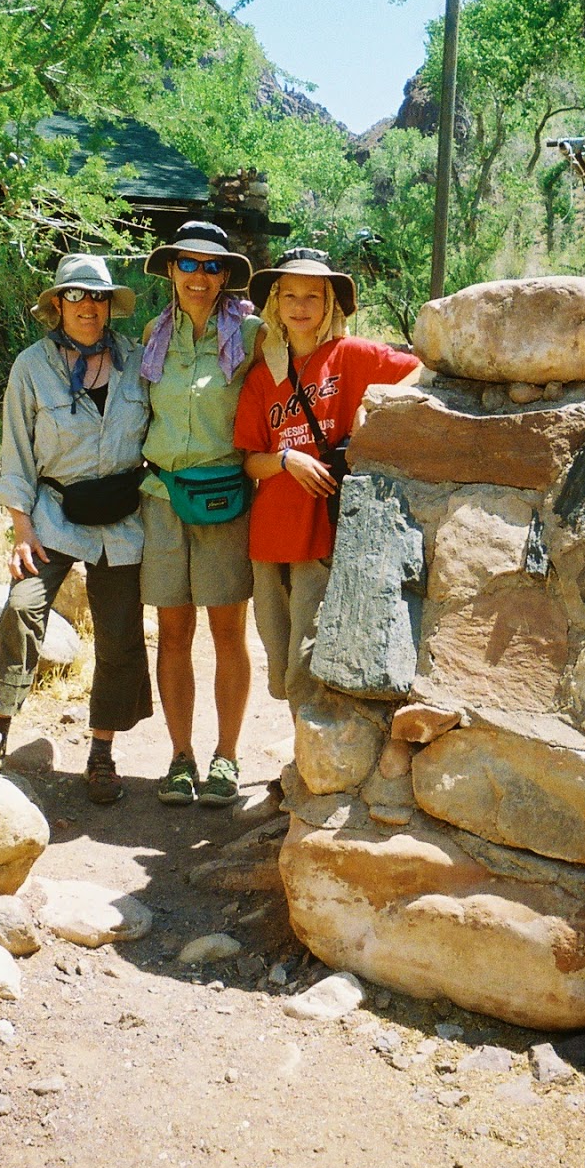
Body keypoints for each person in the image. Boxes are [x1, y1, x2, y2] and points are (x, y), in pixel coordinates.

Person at [0, 253, 152, 804]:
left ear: (110, 306)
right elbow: (16, 448)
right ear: (57, 304)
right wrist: (20, 528)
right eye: (76, 296)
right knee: (22, 606)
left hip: (124, 517)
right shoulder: (31, 366)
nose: (88, 307)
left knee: (120, 633)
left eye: (98, 297)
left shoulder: (136, 360)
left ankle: (102, 752)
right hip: (53, 514)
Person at [233, 248, 420, 717]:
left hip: (324, 528)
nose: (300, 306)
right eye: (289, 295)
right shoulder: (262, 376)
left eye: (312, 296)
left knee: (307, 654)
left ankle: (308, 767)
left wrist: (371, 407)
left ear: (330, 303)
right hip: (272, 532)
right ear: (275, 303)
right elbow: (251, 461)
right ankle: (304, 750)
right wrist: (287, 459)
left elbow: (420, 369)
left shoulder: (352, 356)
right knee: (278, 658)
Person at [139, 221, 263, 808]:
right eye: (187, 264)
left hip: (226, 499)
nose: (199, 275)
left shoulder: (254, 334)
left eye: (212, 266)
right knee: (172, 632)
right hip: (163, 499)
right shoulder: (152, 335)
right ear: (170, 270)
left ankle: (228, 757)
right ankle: (180, 757)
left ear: (225, 277)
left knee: (227, 631)